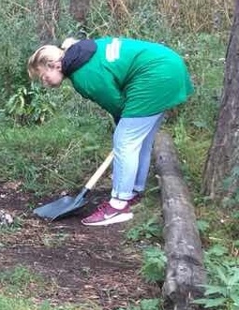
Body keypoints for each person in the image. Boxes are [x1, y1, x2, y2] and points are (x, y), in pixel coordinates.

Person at [27, 37, 193, 226]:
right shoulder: (83, 53)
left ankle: (118, 205)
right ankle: (133, 191)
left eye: (43, 77)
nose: (45, 83)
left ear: (53, 65)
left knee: (125, 140)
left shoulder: (84, 75)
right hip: (168, 66)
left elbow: (117, 105)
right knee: (140, 140)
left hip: (156, 76)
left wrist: (123, 128)